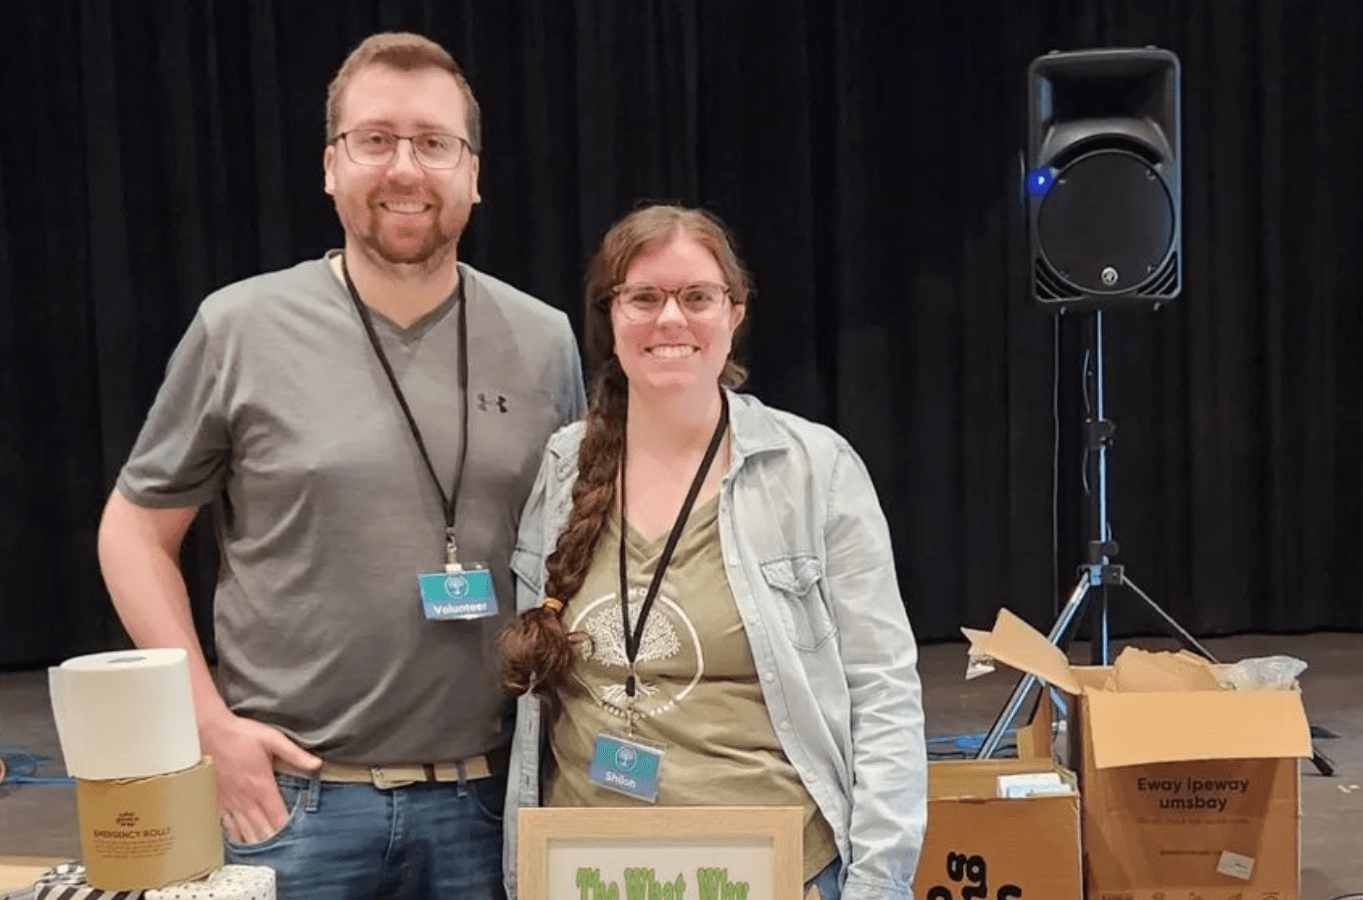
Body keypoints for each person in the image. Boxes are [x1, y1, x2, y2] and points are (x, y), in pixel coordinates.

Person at [97, 32, 583, 900]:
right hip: (291, 808)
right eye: (375, 139)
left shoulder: (544, 341)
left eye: (435, 143)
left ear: (473, 172)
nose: (406, 168)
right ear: (330, 166)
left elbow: (580, 551)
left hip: (490, 805)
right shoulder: (239, 327)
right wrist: (209, 727)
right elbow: (134, 528)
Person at [500, 204, 926, 900]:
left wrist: (879, 883)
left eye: (697, 297)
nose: (671, 319)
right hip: (592, 872)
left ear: (734, 313)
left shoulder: (813, 469)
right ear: (610, 317)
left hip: (770, 873)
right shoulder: (563, 468)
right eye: (643, 297)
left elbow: (882, 692)